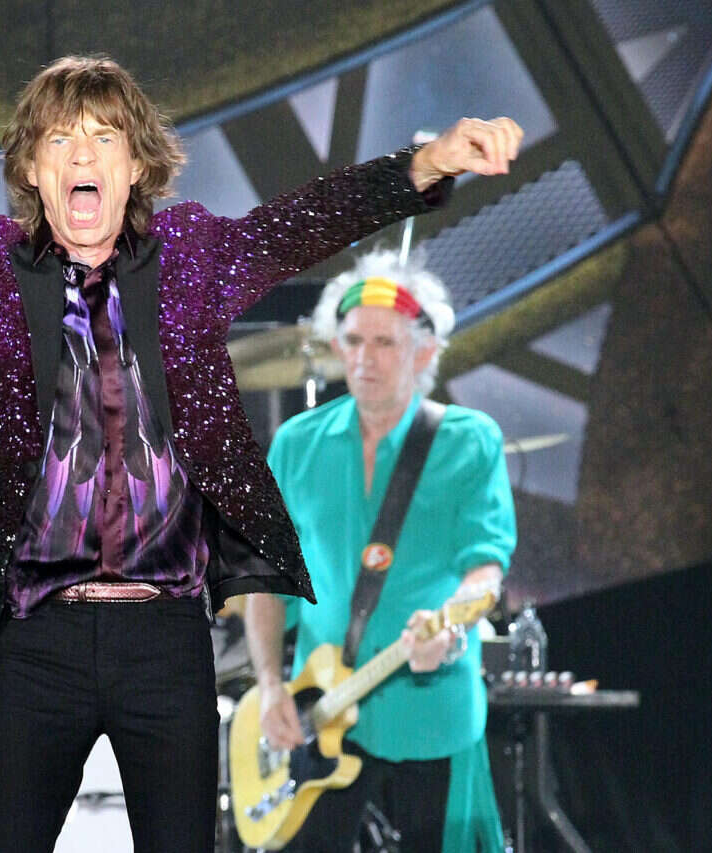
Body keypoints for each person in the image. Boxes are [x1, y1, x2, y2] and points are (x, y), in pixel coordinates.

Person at [0, 55, 520, 852]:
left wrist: (430, 162)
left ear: (136, 166)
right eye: (60, 140)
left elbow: (310, 218)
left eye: (105, 138)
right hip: (41, 635)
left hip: (166, 636)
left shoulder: (194, 259)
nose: (82, 154)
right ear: (33, 171)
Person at [245, 249, 518, 853]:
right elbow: (266, 583)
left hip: (433, 715)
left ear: (424, 352)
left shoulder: (469, 442)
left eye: (385, 343)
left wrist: (449, 628)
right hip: (320, 712)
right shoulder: (296, 444)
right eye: (352, 340)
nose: (364, 358)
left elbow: (486, 567)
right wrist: (268, 685)